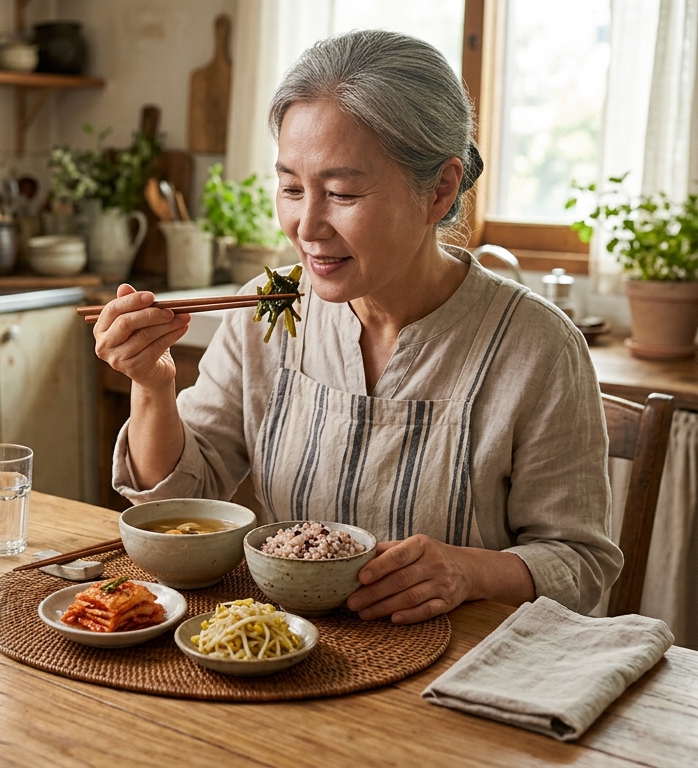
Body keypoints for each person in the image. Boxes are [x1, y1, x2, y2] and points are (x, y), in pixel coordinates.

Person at [95, 30, 621, 624]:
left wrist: (468, 571)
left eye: (341, 192)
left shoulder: (537, 346)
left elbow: (580, 563)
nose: (306, 225)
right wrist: (151, 386)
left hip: (457, 675)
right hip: (282, 650)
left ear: (439, 189)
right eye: (292, 187)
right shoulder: (272, 307)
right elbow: (179, 502)